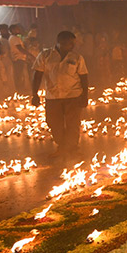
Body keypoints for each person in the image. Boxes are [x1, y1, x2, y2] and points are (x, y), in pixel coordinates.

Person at [32, 30, 90, 158]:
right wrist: (34, 94)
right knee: (53, 122)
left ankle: (72, 148)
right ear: (60, 42)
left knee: (73, 124)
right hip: (53, 96)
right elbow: (37, 75)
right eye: (70, 43)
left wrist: (85, 95)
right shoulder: (45, 55)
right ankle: (63, 146)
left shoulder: (77, 57)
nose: (73, 46)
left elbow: (84, 77)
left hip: (73, 96)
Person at [9, 24, 31, 92]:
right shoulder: (14, 38)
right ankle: (20, 90)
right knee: (19, 76)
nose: (19, 30)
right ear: (13, 30)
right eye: (17, 29)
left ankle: (21, 90)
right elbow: (20, 49)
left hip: (20, 59)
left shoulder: (15, 37)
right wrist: (30, 55)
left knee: (20, 75)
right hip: (18, 59)